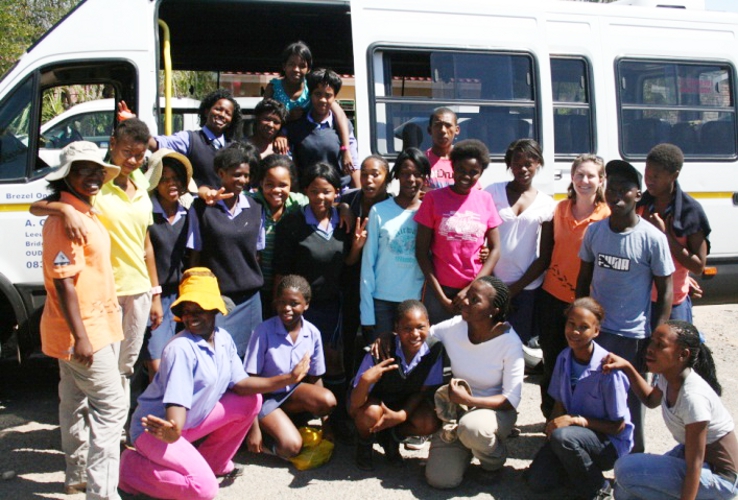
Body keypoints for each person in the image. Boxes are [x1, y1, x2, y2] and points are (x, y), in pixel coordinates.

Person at [119, 268, 311, 500]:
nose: (191, 317)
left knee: (251, 401)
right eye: (186, 311)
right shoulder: (180, 349)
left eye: (198, 309)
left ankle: (213, 462)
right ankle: (128, 469)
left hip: (188, 424)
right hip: (158, 431)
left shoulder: (222, 339)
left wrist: (289, 378)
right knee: (204, 490)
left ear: (214, 310)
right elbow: (175, 411)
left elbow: (241, 384)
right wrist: (172, 432)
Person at [31, 118, 164, 411]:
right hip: (107, 294)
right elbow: (37, 206)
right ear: (112, 145)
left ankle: (113, 431)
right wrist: (64, 209)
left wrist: (155, 293)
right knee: (101, 368)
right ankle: (104, 426)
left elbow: (146, 245)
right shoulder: (94, 184)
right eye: (127, 151)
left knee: (126, 366)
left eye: (139, 155)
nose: (132, 160)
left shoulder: (141, 185)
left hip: (138, 289)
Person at [39, 141, 127, 498]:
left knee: (73, 399)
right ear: (67, 177)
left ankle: (76, 476)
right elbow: (64, 283)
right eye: (82, 170)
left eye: (96, 170)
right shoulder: (65, 220)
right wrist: (82, 337)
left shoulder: (80, 211)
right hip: (84, 331)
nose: (92, 176)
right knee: (112, 407)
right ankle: (102, 492)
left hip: (93, 325)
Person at [576, 159, 675, 453]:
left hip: (633, 335)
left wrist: (655, 339)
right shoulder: (594, 233)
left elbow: (666, 292)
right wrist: (580, 322)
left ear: (637, 194)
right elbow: (584, 280)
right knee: (595, 393)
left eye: (625, 190)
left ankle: (635, 459)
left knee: (632, 401)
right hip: (597, 333)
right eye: (612, 189)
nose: (616, 196)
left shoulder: (652, 239)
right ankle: (599, 453)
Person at [603, 321, 738, 500]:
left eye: (660, 345)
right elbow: (651, 400)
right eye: (652, 342)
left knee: (625, 470)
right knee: (623, 491)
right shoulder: (670, 376)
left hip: (720, 479)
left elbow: (694, 464)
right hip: (696, 462)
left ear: (683, 354)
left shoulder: (693, 398)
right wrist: (627, 367)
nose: (650, 349)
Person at [273, 162, 353, 439]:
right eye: (315, 191)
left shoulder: (343, 221)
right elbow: (281, 270)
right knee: (298, 362)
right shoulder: (293, 223)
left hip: (332, 303)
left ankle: (336, 419)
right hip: (298, 308)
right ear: (305, 191)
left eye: (327, 191)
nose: (321, 197)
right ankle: (298, 416)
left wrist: (346, 211)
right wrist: (279, 308)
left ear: (337, 193)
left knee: (333, 360)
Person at [526, 298, 633, 500]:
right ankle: (574, 472)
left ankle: (599, 488)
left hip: (607, 444)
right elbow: (560, 402)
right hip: (573, 435)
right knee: (537, 482)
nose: (575, 331)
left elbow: (618, 426)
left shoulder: (608, 369)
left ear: (596, 331)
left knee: (563, 438)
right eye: (571, 324)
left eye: (584, 327)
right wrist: (552, 426)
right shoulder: (564, 358)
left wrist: (575, 421)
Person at [423, 276, 524, 489]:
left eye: (474, 300)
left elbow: (511, 399)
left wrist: (470, 399)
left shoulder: (510, 343)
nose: (465, 302)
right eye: (467, 296)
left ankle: (493, 460)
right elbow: (422, 336)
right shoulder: (456, 325)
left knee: (473, 429)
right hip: (457, 411)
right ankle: (469, 446)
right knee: (440, 480)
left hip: (494, 413)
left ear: (494, 310)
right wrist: (388, 337)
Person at [538, 154, 610, 418]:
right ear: (572, 177)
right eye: (580, 174)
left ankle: (580, 416)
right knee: (553, 360)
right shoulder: (560, 210)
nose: (585, 180)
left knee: (583, 361)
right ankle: (551, 416)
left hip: (587, 303)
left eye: (591, 175)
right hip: (553, 297)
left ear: (601, 180)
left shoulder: (607, 215)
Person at [244, 275, 336, 459]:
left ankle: (286, 421)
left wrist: (327, 425)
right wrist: (253, 428)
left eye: (294, 303)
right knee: (291, 448)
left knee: (328, 399)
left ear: (306, 305)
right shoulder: (263, 331)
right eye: (282, 302)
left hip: (291, 395)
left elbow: (315, 377)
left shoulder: (312, 333)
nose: (287, 308)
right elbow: (249, 384)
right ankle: (264, 439)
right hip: (265, 399)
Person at [414, 139, 502, 325]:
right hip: (440, 290)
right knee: (437, 345)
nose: (466, 176)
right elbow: (421, 252)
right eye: (461, 169)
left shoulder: (485, 199)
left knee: (472, 344)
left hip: (476, 290)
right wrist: (441, 297)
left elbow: (495, 250)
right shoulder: (433, 199)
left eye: (473, 172)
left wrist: (471, 288)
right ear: (452, 167)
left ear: (480, 173)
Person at [190, 142, 265, 358]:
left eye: (246, 175)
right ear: (221, 173)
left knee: (248, 357)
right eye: (236, 175)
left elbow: (256, 253)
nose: (242, 180)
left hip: (250, 298)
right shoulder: (202, 209)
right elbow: (195, 254)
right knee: (217, 354)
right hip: (218, 297)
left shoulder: (255, 209)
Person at [350, 300, 443, 471]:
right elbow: (354, 404)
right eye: (407, 328)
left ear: (429, 325)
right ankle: (364, 443)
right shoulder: (380, 351)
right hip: (376, 403)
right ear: (396, 328)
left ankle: (391, 438)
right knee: (370, 414)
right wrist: (365, 381)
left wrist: (402, 415)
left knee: (428, 421)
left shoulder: (434, 349)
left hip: (404, 402)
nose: (414, 334)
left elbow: (423, 391)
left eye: (420, 327)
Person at [485, 138, 555, 345]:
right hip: (491, 284)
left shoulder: (547, 204)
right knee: (488, 341)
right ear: (509, 164)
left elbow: (544, 257)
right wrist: (496, 288)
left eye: (529, 163)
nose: (522, 168)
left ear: (538, 164)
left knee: (517, 345)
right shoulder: (492, 192)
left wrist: (512, 291)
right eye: (516, 163)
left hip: (526, 288)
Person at [360, 148, 430, 341]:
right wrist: (367, 313)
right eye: (406, 173)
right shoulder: (380, 211)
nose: (411, 179)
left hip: (414, 302)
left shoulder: (429, 212)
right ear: (397, 174)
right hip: (381, 302)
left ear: (425, 178)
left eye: (417, 174)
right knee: (383, 360)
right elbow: (368, 264)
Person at [638, 143, 711, 326]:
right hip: (639, 299)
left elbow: (698, 266)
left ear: (674, 175)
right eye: (647, 173)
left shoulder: (690, 212)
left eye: (656, 176)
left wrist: (664, 236)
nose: (649, 180)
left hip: (673, 302)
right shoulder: (641, 205)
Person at [141, 148, 200, 376]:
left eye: (176, 178)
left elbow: (194, 252)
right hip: (153, 295)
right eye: (164, 179)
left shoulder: (188, 212)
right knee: (156, 362)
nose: (171, 184)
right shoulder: (146, 213)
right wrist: (154, 295)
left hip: (181, 294)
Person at [265, 41, 355, 172]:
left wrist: (345, 148)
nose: (296, 69)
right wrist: (281, 130)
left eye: (302, 66)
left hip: (307, 139)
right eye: (291, 64)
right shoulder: (273, 87)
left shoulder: (313, 87)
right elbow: (265, 117)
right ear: (284, 66)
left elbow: (340, 115)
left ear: (308, 69)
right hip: (279, 139)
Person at [340, 155, 391, 373]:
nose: (368, 180)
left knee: (379, 340)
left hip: (382, 284)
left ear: (387, 178)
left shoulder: (393, 205)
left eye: (375, 175)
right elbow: (331, 199)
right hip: (351, 281)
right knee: (348, 338)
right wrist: (341, 206)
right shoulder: (350, 200)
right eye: (364, 174)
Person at [147, 88, 243, 195]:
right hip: (196, 208)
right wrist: (135, 129)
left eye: (228, 113)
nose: (222, 115)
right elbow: (156, 144)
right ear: (207, 111)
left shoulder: (234, 147)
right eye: (218, 109)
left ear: (231, 122)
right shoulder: (189, 139)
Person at [248, 154, 307, 318]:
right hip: (254, 287)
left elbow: (324, 203)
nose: (276, 190)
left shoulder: (298, 204)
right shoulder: (250, 202)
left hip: (283, 290)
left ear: (291, 185)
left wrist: (344, 207)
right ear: (261, 183)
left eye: (283, 185)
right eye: (269, 184)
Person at [286, 68, 360, 188]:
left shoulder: (344, 127)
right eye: (318, 94)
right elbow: (290, 167)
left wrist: (358, 197)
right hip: (308, 195)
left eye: (328, 95)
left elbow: (354, 165)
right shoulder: (296, 126)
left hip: (339, 193)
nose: (323, 100)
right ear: (310, 94)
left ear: (335, 97)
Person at [424, 107, 460, 191]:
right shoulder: (420, 162)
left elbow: (473, 195)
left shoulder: (464, 161)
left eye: (448, 125)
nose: (443, 130)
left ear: (457, 130)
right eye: (437, 125)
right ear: (429, 130)